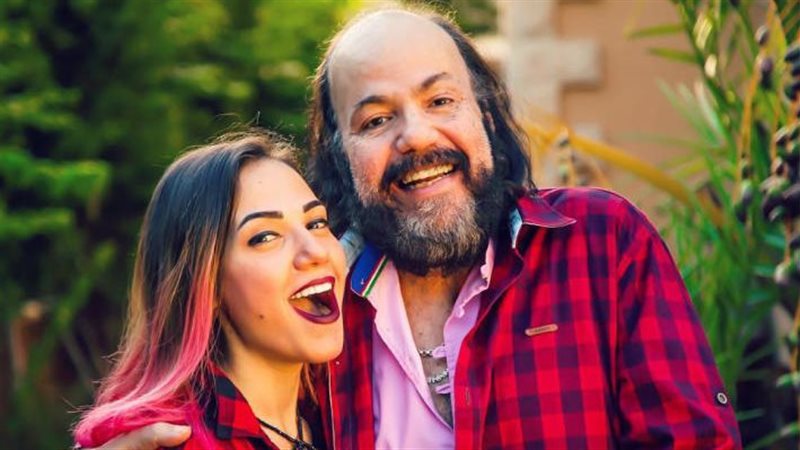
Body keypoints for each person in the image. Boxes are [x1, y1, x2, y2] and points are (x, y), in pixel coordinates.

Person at [89, 7, 743, 449]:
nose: (417, 137)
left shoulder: (601, 245)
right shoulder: (318, 312)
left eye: (440, 100)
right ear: (339, 158)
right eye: (376, 120)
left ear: (486, 114)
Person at [73, 131, 346, 449]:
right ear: (207, 283)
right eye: (265, 237)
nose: (315, 251)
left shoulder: (348, 416)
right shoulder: (172, 441)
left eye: (316, 223)